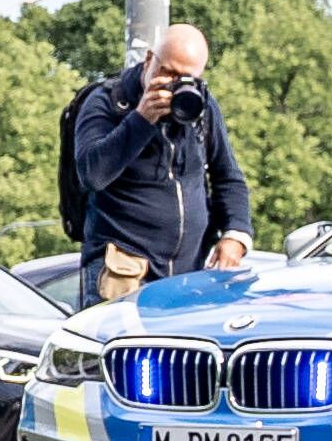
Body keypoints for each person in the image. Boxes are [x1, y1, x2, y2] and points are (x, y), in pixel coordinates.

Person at [59, 21, 256, 299]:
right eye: (167, 72)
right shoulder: (107, 102)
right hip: (124, 274)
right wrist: (141, 119)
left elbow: (228, 177)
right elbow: (92, 174)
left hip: (189, 275)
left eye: (186, 78)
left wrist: (235, 234)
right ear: (150, 59)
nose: (174, 85)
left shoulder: (201, 106)